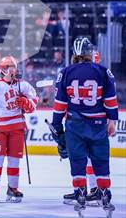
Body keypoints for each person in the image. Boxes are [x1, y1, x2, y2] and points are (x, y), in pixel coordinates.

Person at [51, 37, 117, 215]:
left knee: (77, 161)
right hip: (98, 124)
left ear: (74, 53)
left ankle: (80, 193)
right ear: (90, 52)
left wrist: (57, 126)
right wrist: (112, 121)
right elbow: (110, 100)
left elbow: (59, 104)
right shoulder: (104, 71)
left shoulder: (64, 72)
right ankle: (104, 193)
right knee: (101, 161)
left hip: (75, 124)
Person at [0, 56, 38, 202]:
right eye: (9, 67)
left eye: (13, 66)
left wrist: (27, 103)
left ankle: (13, 188)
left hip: (17, 128)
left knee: (14, 161)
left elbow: (34, 101)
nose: (13, 69)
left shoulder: (23, 85)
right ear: (2, 69)